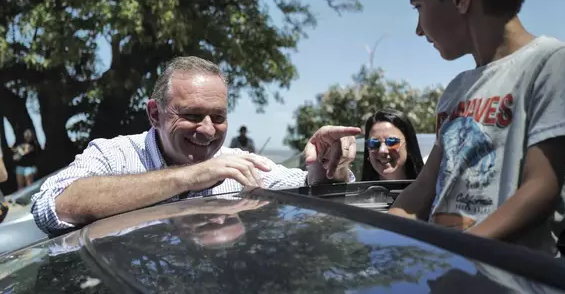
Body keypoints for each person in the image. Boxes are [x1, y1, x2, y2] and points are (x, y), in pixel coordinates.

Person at [383, 0, 565, 256]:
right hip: (446, 272)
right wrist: (382, 240)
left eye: (418, 6)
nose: (419, 29)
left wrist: (454, 251)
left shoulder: (553, 62)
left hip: (508, 277)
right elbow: (422, 190)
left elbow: (541, 188)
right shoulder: (455, 90)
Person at [32, 56, 356, 235]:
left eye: (218, 117)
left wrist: (328, 167)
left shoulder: (236, 164)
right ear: (154, 114)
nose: (207, 130)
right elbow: (53, 207)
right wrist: (190, 177)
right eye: (191, 115)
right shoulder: (113, 154)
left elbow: (308, 190)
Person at [361, 109, 424, 181]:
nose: (382, 150)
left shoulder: (432, 190)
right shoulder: (358, 191)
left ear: (408, 146)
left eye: (392, 142)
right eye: (374, 143)